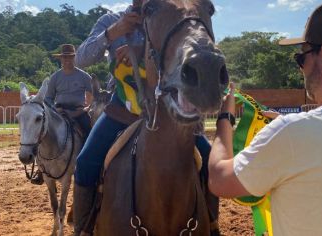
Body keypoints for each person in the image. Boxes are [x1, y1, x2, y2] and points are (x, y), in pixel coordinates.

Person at [73, 1, 217, 235]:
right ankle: (83, 228)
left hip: (167, 111)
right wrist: (114, 32)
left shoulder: (172, 13)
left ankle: (212, 224)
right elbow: (81, 58)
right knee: (86, 161)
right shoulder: (110, 20)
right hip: (123, 110)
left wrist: (139, 52)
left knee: (209, 159)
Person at [208, 1, 322, 235]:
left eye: (302, 58)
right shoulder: (296, 134)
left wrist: (225, 117)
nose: (301, 68)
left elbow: (220, 179)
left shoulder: (291, 133)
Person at [30, 44, 92, 186]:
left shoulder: (83, 76)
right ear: (61, 59)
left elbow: (94, 94)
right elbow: (48, 98)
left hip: (78, 111)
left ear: (74, 58)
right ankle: (41, 169)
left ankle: (88, 161)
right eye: (64, 58)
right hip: (59, 112)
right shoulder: (55, 77)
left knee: (89, 132)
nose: (67, 60)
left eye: (70, 58)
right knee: (44, 134)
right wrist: (55, 111)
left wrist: (86, 109)